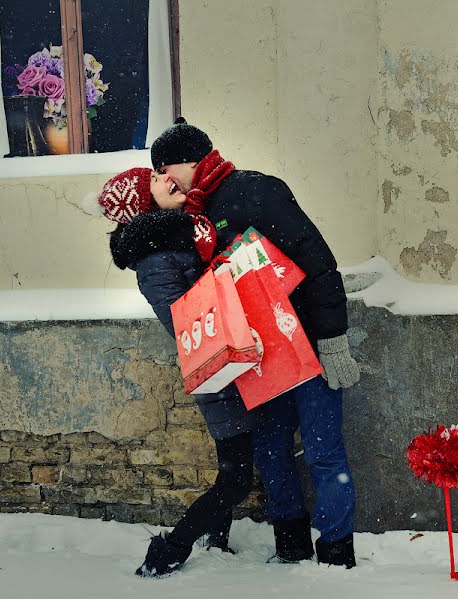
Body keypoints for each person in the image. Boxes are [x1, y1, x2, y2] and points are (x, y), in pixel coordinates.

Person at [150, 118, 361, 568]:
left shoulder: (255, 190)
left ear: (191, 162)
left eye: (166, 171)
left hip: (304, 341)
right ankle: (291, 547)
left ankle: (337, 554)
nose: (165, 182)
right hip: (258, 355)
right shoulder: (192, 216)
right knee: (271, 452)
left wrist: (333, 338)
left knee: (324, 451)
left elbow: (317, 258)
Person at [98, 167, 258, 577]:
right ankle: (171, 548)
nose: (166, 179)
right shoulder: (156, 260)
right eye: (153, 181)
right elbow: (185, 322)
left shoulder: (184, 236)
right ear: (145, 204)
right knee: (237, 479)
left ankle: (215, 538)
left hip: (235, 363)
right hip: (218, 369)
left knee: (234, 468)